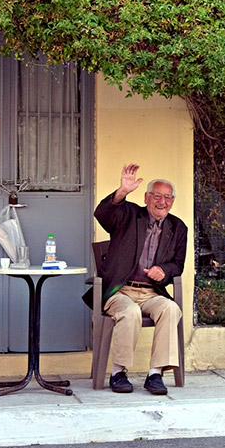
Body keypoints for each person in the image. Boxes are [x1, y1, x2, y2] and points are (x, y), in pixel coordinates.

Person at [91, 163, 187, 395]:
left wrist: (164, 270)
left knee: (171, 309)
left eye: (167, 197)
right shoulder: (129, 214)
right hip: (121, 292)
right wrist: (122, 191)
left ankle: (155, 373)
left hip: (152, 293)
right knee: (130, 311)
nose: (162, 202)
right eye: (157, 196)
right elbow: (102, 214)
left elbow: (178, 265)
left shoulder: (178, 227)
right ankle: (118, 371)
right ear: (146, 197)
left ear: (172, 201)